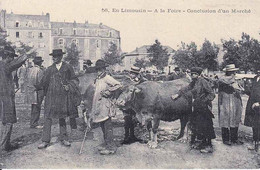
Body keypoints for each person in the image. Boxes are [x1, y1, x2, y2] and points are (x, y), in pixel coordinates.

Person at [36, 49, 81, 149]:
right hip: (51, 97)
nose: (53, 58)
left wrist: (69, 86)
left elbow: (75, 80)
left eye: (56, 56)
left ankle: (64, 138)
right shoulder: (49, 69)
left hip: (63, 96)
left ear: (61, 56)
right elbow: (44, 83)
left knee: (62, 116)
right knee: (47, 117)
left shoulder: (67, 67)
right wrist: (37, 88)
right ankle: (45, 140)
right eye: (53, 56)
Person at [172, 67, 216, 153]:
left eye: (194, 74)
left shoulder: (203, 81)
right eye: (192, 74)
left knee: (206, 125)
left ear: (198, 74)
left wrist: (204, 101)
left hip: (204, 107)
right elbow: (187, 88)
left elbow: (211, 94)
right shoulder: (194, 82)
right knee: (198, 125)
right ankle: (202, 143)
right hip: (197, 106)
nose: (192, 75)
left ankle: (209, 145)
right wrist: (177, 94)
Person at [0, 45, 30, 152]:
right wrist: (26, 54)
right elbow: (17, 63)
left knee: (4, 121)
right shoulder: (4, 66)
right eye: (11, 57)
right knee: (8, 121)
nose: (12, 59)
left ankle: (5, 144)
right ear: (7, 56)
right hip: (5, 98)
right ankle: (4, 145)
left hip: (3, 97)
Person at [90, 59, 122, 155]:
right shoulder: (98, 79)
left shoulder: (107, 77)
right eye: (98, 69)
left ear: (104, 69)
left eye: (100, 69)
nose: (99, 71)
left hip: (106, 105)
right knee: (102, 125)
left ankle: (111, 147)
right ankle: (106, 143)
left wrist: (109, 91)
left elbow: (119, 85)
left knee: (107, 126)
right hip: (99, 106)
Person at [218, 64, 244, 146]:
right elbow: (226, 82)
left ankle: (234, 138)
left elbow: (240, 88)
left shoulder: (236, 79)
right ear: (228, 71)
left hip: (235, 99)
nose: (234, 73)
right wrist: (234, 79)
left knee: (235, 118)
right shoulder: (222, 79)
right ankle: (225, 139)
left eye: (234, 71)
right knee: (225, 118)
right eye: (232, 71)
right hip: (225, 100)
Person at [121, 66, 146, 145]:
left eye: (135, 74)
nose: (132, 75)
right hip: (127, 104)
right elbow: (125, 88)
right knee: (127, 120)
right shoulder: (126, 80)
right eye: (131, 73)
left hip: (136, 104)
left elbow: (145, 85)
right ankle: (126, 137)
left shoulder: (141, 80)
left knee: (134, 120)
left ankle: (132, 136)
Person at [26, 56, 45, 129]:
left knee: (33, 107)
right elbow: (40, 82)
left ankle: (32, 122)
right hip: (37, 91)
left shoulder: (30, 70)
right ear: (40, 62)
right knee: (37, 107)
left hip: (31, 91)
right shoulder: (39, 70)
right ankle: (34, 123)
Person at [244, 68, 260, 151]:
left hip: (258, 105)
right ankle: (255, 143)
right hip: (252, 105)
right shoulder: (254, 78)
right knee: (254, 124)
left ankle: (257, 144)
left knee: (258, 124)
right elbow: (251, 92)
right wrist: (245, 88)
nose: (258, 71)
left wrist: (259, 103)